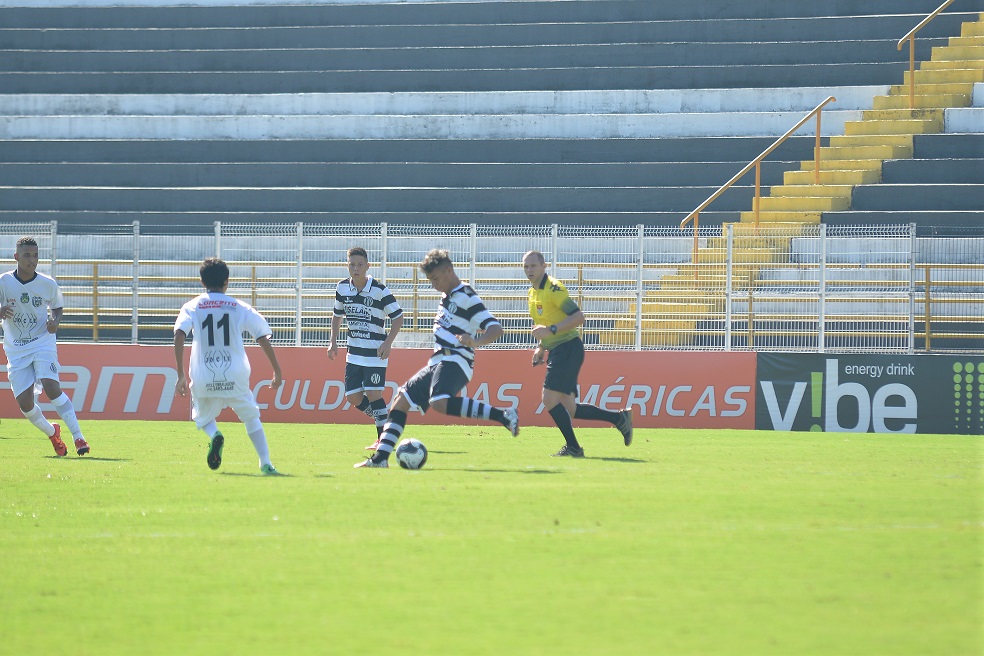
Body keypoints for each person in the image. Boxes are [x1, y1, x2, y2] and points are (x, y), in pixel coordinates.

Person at [355, 248, 519, 468]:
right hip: (437, 363)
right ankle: (380, 459)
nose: (433, 284)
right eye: (430, 280)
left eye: (435, 279)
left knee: (439, 402)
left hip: (457, 360)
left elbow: (496, 328)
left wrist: (475, 341)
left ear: (449, 270)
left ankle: (503, 416)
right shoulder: (446, 297)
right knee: (399, 401)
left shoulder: (466, 296)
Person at [173, 257, 284, 475]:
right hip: (235, 373)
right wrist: (277, 370)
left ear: (202, 282)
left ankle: (215, 435)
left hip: (204, 373)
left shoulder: (192, 306)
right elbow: (262, 336)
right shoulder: (238, 306)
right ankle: (265, 463)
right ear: (227, 281)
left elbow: (179, 334)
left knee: (202, 416)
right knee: (251, 417)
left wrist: (180, 374)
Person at [523, 250, 632, 457]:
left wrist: (552, 331)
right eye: (526, 267)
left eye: (533, 266)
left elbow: (579, 317)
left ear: (544, 266)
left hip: (568, 348)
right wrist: (541, 347)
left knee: (548, 399)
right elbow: (544, 325)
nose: (529, 270)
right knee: (571, 409)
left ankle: (573, 447)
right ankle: (619, 419)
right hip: (558, 350)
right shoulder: (532, 292)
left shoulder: (554, 289)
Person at [0, 236, 90, 457]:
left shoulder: (47, 283)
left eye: (35, 256)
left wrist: (55, 321)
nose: (32, 260)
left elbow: (57, 306)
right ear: (16, 257)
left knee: (51, 386)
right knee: (26, 406)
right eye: (27, 256)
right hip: (16, 349)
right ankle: (53, 433)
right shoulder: (3, 282)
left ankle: (78, 436)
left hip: (42, 342)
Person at [328, 247, 404, 450]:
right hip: (353, 353)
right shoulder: (342, 288)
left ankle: (383, 440)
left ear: (368, 266)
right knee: (353, 397)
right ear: (347, 266)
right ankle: (384, 419)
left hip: (375, 353)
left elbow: (398, 317)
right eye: (352, 264)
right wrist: (333, 341)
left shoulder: (379, 290)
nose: (355, 268)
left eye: (360, 264)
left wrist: (388, 342)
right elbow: (337, 316)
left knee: (373, 393)